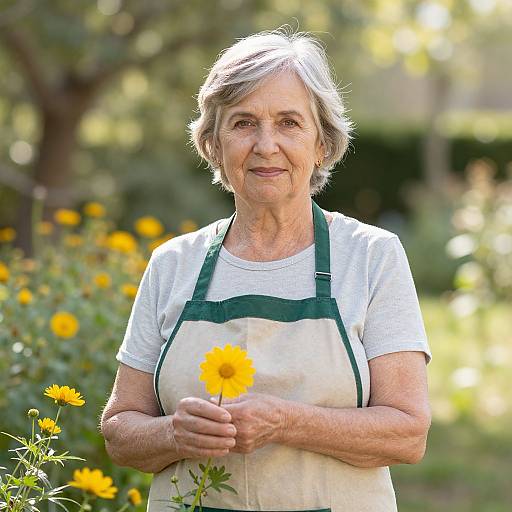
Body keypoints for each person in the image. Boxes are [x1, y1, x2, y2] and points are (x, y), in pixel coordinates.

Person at [101, 28, 432, 512]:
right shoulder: (173, 263)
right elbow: (119, 431)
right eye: (243, 123)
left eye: (289, 123)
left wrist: (285, 421)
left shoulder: (370, 256)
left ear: (322, 143)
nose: (266, 144)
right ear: (213, 144)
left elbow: (407, 433)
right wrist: (173, 433)